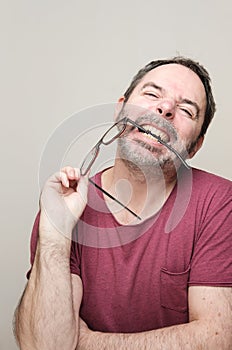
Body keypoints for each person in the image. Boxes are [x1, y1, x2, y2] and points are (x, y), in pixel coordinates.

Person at [14, 57, 232, 350]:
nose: (165, 109)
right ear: (120, 109)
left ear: (195, 145)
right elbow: (43, 345)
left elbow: (216, 339)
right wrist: (55, 234)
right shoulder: (67, 202)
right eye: (152, 94)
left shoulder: (220, 203)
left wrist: (83, 342)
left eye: (185, 110)